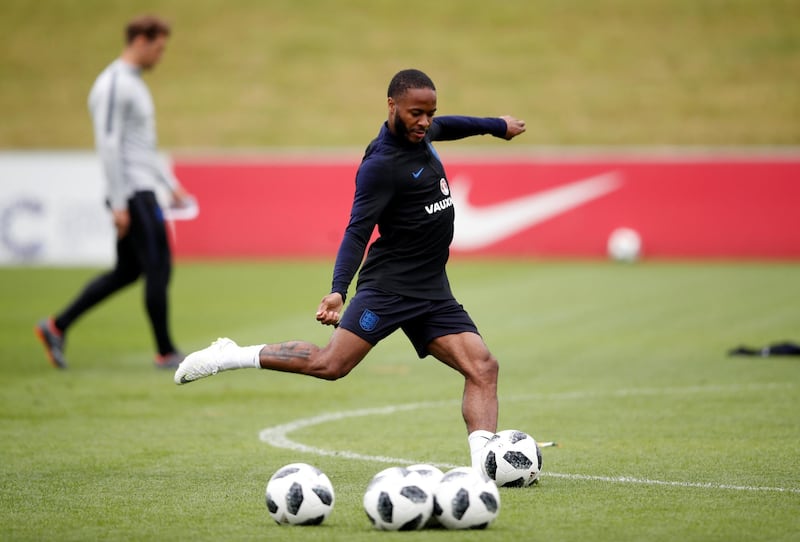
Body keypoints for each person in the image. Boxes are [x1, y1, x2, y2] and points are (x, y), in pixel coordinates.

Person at [174, 68, 526, 468]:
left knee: (482, 367)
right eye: (416, 113)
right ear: (392, 106)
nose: (425, 122)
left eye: (430, 113)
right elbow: (357, 231)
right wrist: (339, 289)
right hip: (389, 286)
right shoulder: (381, 165)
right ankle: (231, 355)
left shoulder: (423, 131)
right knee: (331, 365)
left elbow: (450, 125)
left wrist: (497, 126)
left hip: (431, 287)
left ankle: (485, 469)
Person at [35, 15, 192, 370]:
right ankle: (165, 351)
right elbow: (108, 145)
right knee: (158, 267)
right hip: (133, 193)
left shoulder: (133, 83)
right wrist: (120, 202)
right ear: (140, 40)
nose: (160, 56)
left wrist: (169, 184)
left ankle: (56, 326)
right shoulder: (113, 84)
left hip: (143, 188)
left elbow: (140, 146)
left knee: (127, 271)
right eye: (159, 48)